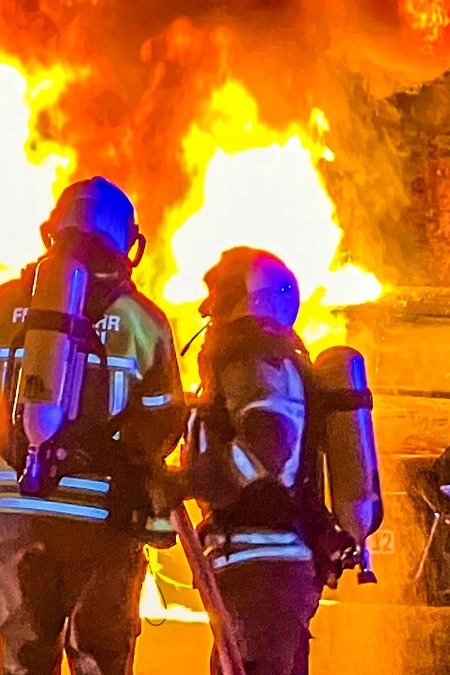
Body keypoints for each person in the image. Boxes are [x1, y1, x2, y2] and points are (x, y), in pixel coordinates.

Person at [0, 177, 185, 675]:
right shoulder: (141, 319)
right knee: (99, 657)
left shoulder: (3, 304)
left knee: (21, 658)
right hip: (100, 517)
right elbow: (163, 420)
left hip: (16, 509)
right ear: (126, 241)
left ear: (54, 229)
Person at [181, 247, 329, 675]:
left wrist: (190, 483)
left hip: (265, 569)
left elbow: (269, 442)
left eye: (223, 297)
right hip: (260, 567)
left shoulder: (253, 357)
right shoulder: (260, 358)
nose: (212, 314)